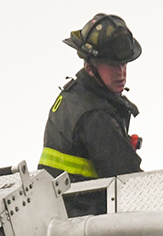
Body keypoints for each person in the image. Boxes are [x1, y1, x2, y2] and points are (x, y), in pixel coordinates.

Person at [40, 15, 143, 183]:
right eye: (112, 65)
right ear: (90, 67)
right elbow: (129, 182)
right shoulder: (96, 115)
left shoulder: (71, 96)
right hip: (88, 207)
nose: (121, 73)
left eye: (123, 64)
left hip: (61, 205)